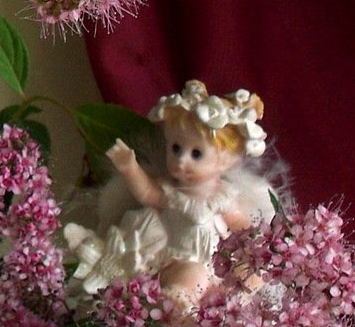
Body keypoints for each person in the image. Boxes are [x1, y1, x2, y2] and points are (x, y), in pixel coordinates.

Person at [63, 81, 276, 310]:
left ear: (226, 160)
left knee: (250, 274)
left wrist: (255, 246)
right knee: (192, 276)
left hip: (216, 263)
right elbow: (147, 194)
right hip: (175, 260)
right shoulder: (173, 196)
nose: (182, 160)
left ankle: (231, 309)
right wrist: (130, 168)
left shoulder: (223, 197)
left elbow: (241, 226)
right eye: (176, 149)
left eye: (196, 153)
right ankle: (177, 313)